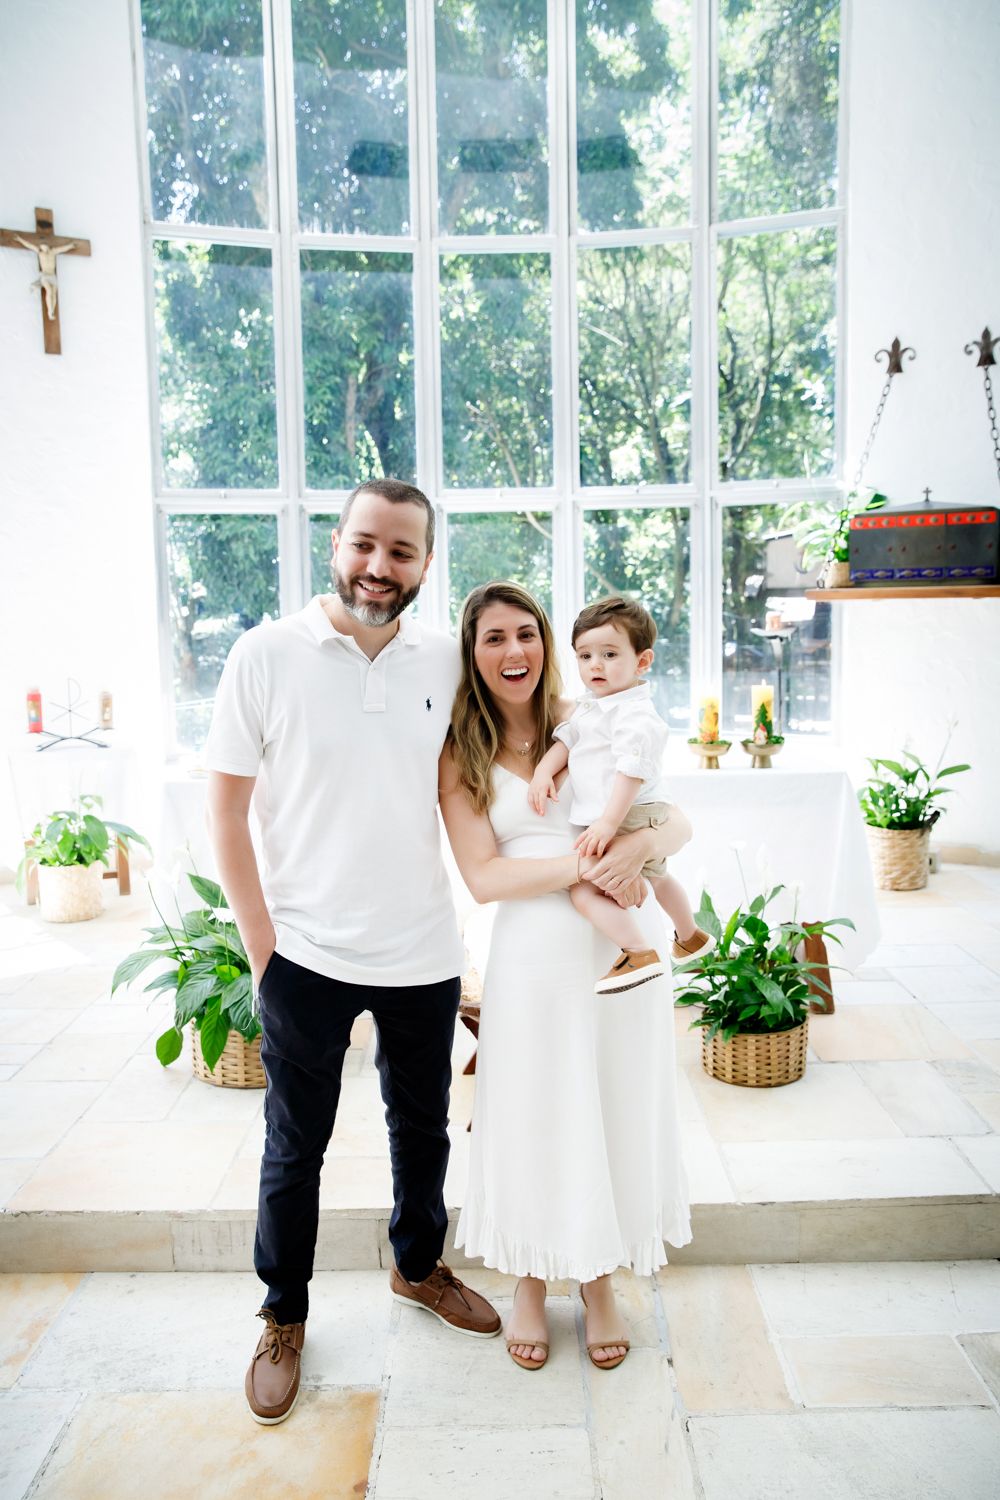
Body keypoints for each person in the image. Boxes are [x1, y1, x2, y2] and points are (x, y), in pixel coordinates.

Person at [204, 479, 501, 1428]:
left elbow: (494, 770)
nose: (381, 566)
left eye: (403, 551)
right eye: (366, 544)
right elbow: (224, 812)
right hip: (308, 953)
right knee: (295, 1149)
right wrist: (264, 951)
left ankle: (418, 1268)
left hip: (420, 947)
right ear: (336, 544)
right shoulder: (266, 654)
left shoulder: (446, 660)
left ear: (424, 563)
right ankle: (283, 1314)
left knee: (422, 1134)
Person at [439, 581, 693, 1372]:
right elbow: (484, 878)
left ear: (547, 641)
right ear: (472, 655)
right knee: (532, 1110)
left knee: (611, 1103)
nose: (514, 652)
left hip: (617, 946)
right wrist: (585, 861)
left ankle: (598, 1278)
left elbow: (674, 817)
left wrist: (638, 850)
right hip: (533, 959)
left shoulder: (590, 711)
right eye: (493, 639)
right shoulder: (460, 751)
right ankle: (526, 1277)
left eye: (527, 634)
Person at [528, 594, 711, 995]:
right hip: (627, 814)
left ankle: (638, 950)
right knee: (659, 876)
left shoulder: (633, 713)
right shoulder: (593, 706)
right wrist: (543, 770)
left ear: (642, 661)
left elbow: (632, 769)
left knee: (583, 889)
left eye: (609, 654)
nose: (595, 665)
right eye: (585, 655)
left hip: (629, 811)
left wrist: (609, 824)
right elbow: (568, 740)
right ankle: (690, 934)